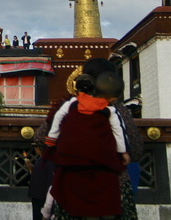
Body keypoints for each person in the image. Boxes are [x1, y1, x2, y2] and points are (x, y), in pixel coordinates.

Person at [43, 68, 130, 218]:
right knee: (103, 201)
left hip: (72, 161)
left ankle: (50, 212)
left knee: (69, 196)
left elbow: (57, 119)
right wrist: (123, 152)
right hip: (101, 162)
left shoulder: (72, 104)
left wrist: (51, 139)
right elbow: (119, 132)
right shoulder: (108, 109)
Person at [25, 143, 54, 220]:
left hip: (43, 198)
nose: (35, 149)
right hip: (37, 198)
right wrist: (31, 168)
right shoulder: (40, 160)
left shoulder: (49, 161)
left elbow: (50, 182)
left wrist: (47, 207)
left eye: (36, 147)